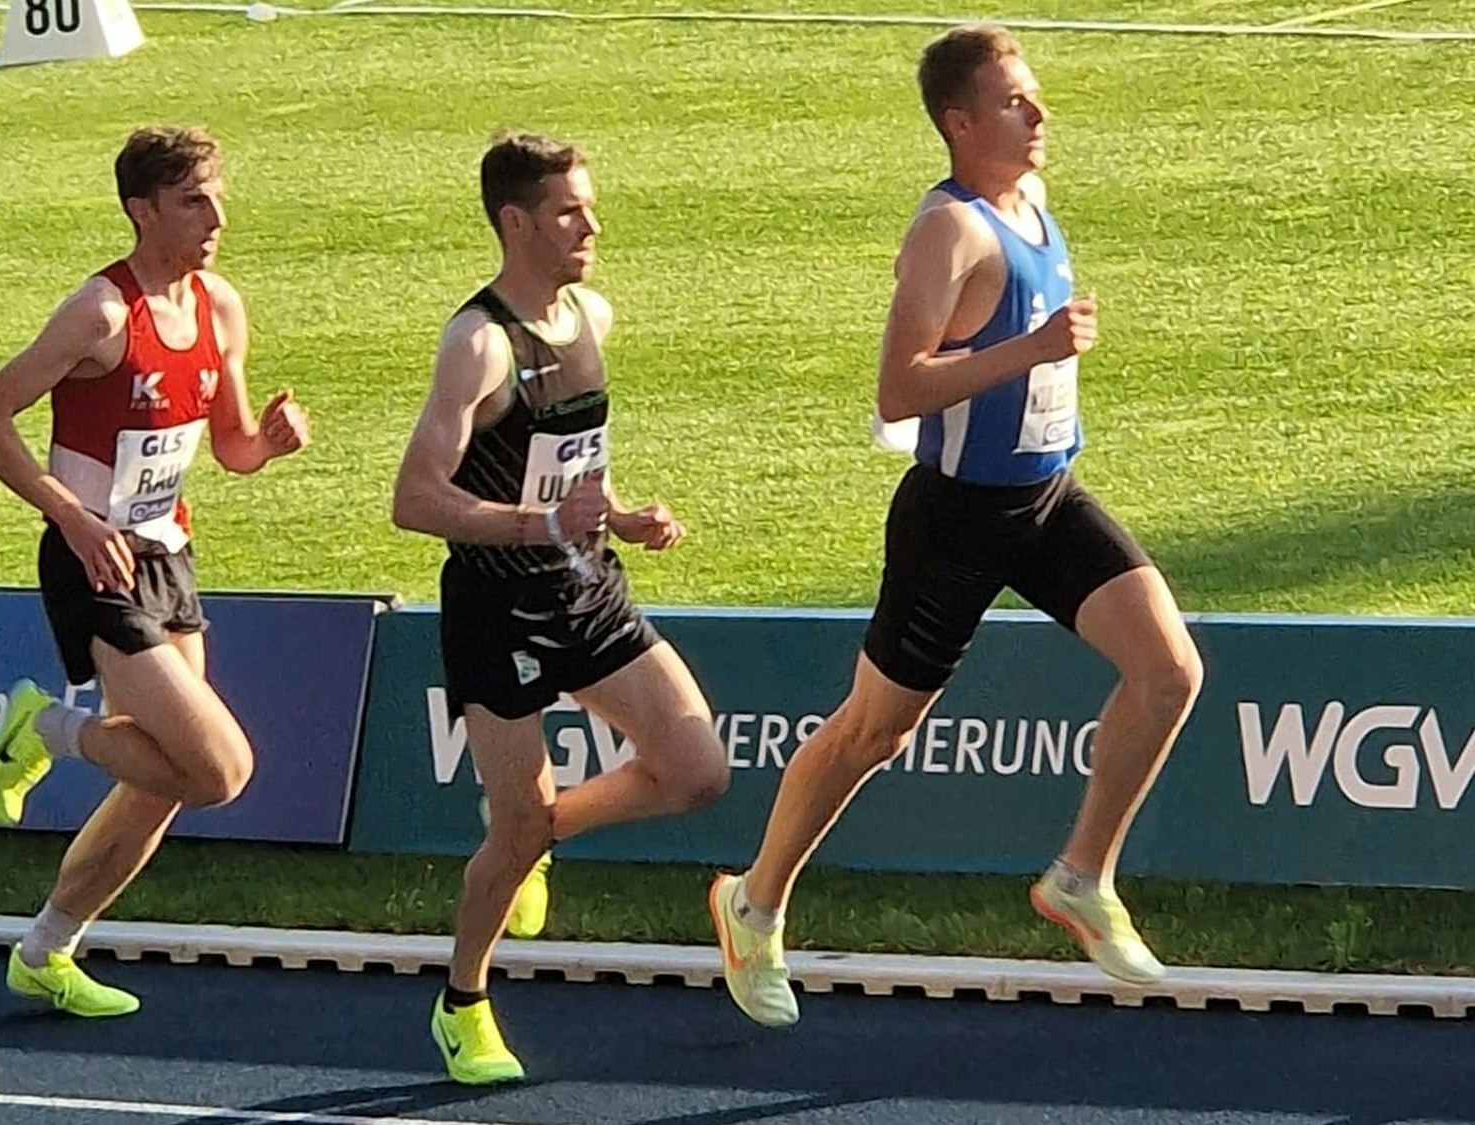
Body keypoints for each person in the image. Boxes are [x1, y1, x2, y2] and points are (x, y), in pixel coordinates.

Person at [708, 24, 1205, 1029]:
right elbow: (900, 389)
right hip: (956, 519)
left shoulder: (1031, 202)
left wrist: (1041, 361)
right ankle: (752, 903)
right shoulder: (948, 231)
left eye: (1034, 96)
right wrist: (1028, 348)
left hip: (1046, 498)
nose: (1039, 112)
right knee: (872, 731)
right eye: (1016, 100)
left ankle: (1080, 876)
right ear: (959, 120)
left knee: (1168, 672)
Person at [390, 131, 730, 1085]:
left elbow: (575, 463)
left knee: (697, 768)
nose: (591, 224)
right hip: (499, 609)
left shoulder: (591, 314)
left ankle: (545, 835)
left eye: (590, 205)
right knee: (515, 824)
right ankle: (463, 1000)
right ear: (515, 222)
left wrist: (619, 514)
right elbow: (416, 500)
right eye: (569, 211)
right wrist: (543, 521)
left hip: (587, 586)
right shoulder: (479, 345)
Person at [0, 125, 309, 1018]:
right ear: (141, 210)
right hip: (93, 560)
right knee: (220, 769)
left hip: (167, 554)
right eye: (194, 201)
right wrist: (70, 516)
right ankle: (47, 727)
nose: (216, 218)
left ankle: (45, 950)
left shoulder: (221, 307)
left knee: (161, 786)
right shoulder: (101, 315)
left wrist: (264, 445)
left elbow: (225, 446)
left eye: (218, 197)